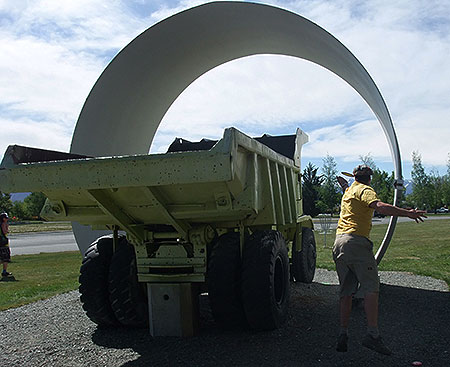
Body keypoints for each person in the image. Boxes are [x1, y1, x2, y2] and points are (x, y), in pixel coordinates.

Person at [333, 165, 426, 355]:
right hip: (356, 243)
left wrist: (344, 184)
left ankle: (343, 334)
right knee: (371, 288)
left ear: (355, 177)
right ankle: (373, 335)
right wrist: (407, 213)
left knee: (346, 292)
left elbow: (348, 189)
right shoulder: (366, 190)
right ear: (369, 178)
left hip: (339, 243)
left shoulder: (350, 191)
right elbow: (379, 206)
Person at [1, 212, 12, 277]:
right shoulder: (3, 224)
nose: (7, 219)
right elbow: (5, 232)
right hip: (3, 243)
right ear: (3, 219)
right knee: (5, 258)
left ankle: (4, 271)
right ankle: (4, 272)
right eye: (6, 218)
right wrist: (7, 228)